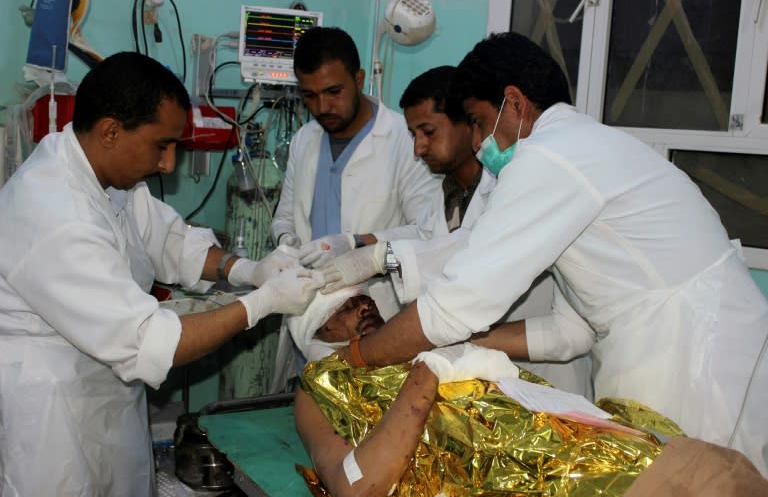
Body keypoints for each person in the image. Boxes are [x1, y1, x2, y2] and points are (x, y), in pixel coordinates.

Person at [335, 32, 768, 475]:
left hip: (695, 354)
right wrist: (467, 342)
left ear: (514, 103)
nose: (480, 142)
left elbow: (456, 302)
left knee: (701, 479)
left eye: (480, 122)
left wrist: (356, 357)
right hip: (687, 342)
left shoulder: (550, 157)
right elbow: (570, 330)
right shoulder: (582, 150)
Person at [0, 52, 324, 496]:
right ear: (111, 131)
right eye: (161, 145)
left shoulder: (105, 177)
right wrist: (261, 303)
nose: (169, 164)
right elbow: (152, 340)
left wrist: (246, 269)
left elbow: (171, 240)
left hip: (108, 399)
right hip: (54, 419)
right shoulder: (54, 212)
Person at [288, 290, 766, 497]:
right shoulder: (320, 386)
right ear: (315, 335)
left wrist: (448, 350)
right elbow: (354, 484)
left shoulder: (429, 340)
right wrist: (424, 378)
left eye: (362, 297)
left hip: (665, 460)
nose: (361, 306)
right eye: (343, 309)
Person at [320, 65, 592, 397]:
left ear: (469, 124)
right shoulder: (445, 196)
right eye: (413, 135)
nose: (418, 148)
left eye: (428, 132)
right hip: (467, 378)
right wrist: (355, 243)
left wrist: (382, 258)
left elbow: (468, 249)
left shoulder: (515, 188)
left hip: (539, 375)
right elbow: (425, 241)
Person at [270, 26, 440, 320]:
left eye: (333, 92)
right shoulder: (304, 139)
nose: (322, 107)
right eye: (309, 95)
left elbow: (426, 233)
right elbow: (285, 216)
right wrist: (288, 241)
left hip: (376, 308)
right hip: (309, 310)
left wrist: (355, 242)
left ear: (358, 80)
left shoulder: (405, 138)